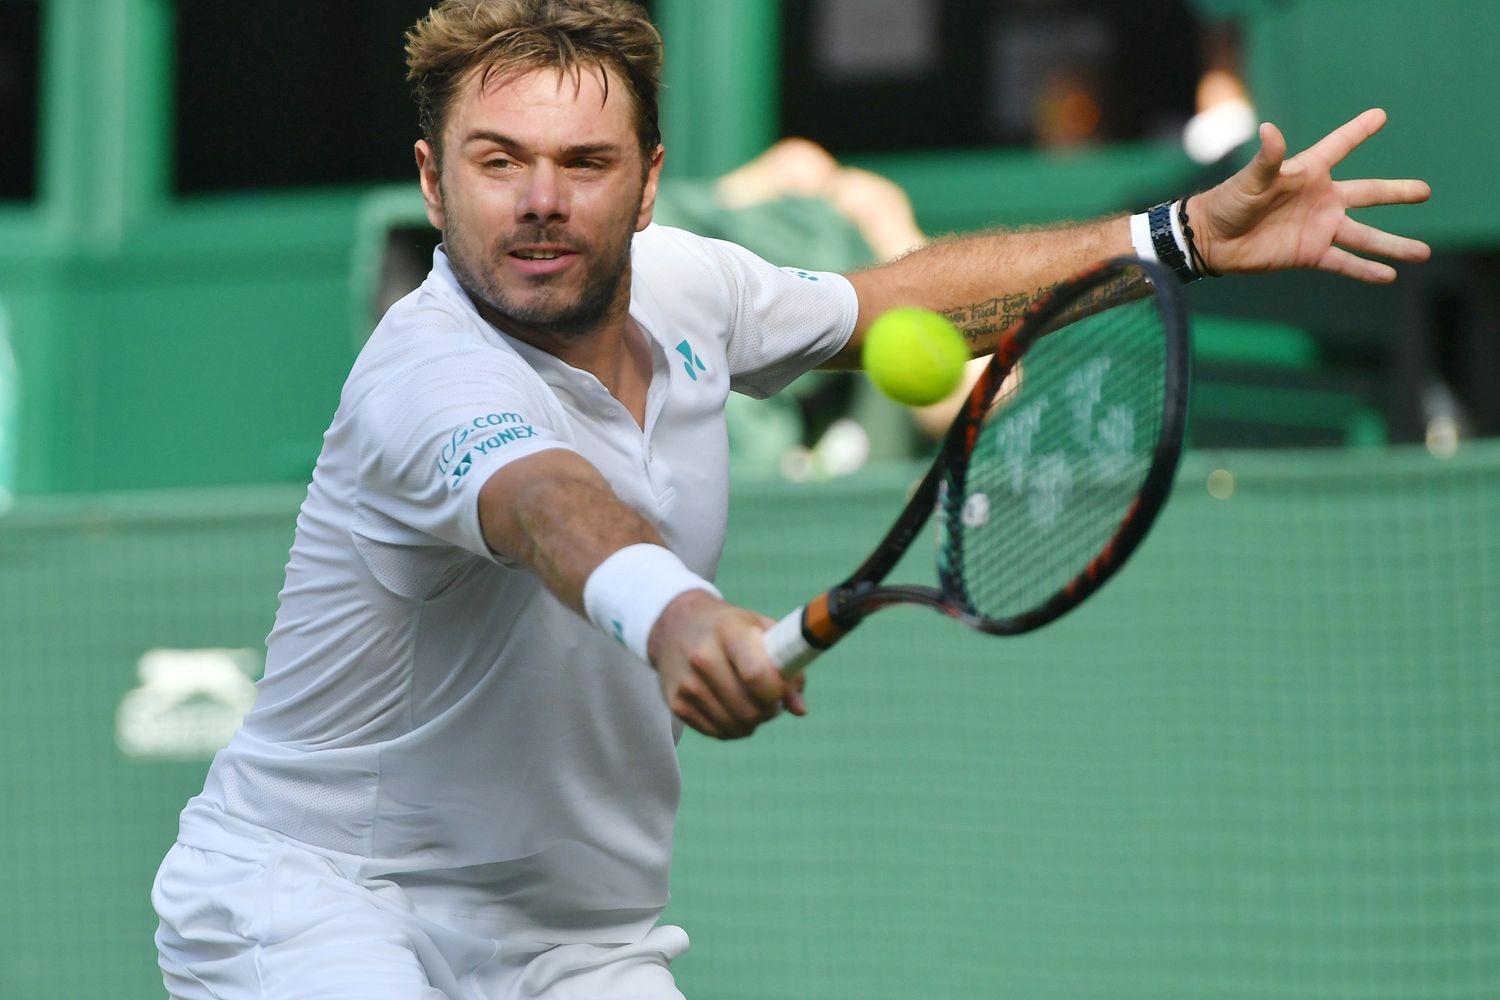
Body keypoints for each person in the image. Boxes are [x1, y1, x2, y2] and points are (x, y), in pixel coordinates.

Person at [151, 1, 1431, 996]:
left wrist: (1182, 238)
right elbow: (548, 505)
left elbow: (891, 308)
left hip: (572, 936)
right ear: (435, 186)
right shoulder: (422, 374)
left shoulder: (691, 284)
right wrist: (675, 618)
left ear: (647, 185)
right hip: (319, 893)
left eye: (583, 163)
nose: (541, 200)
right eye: (500, 162)